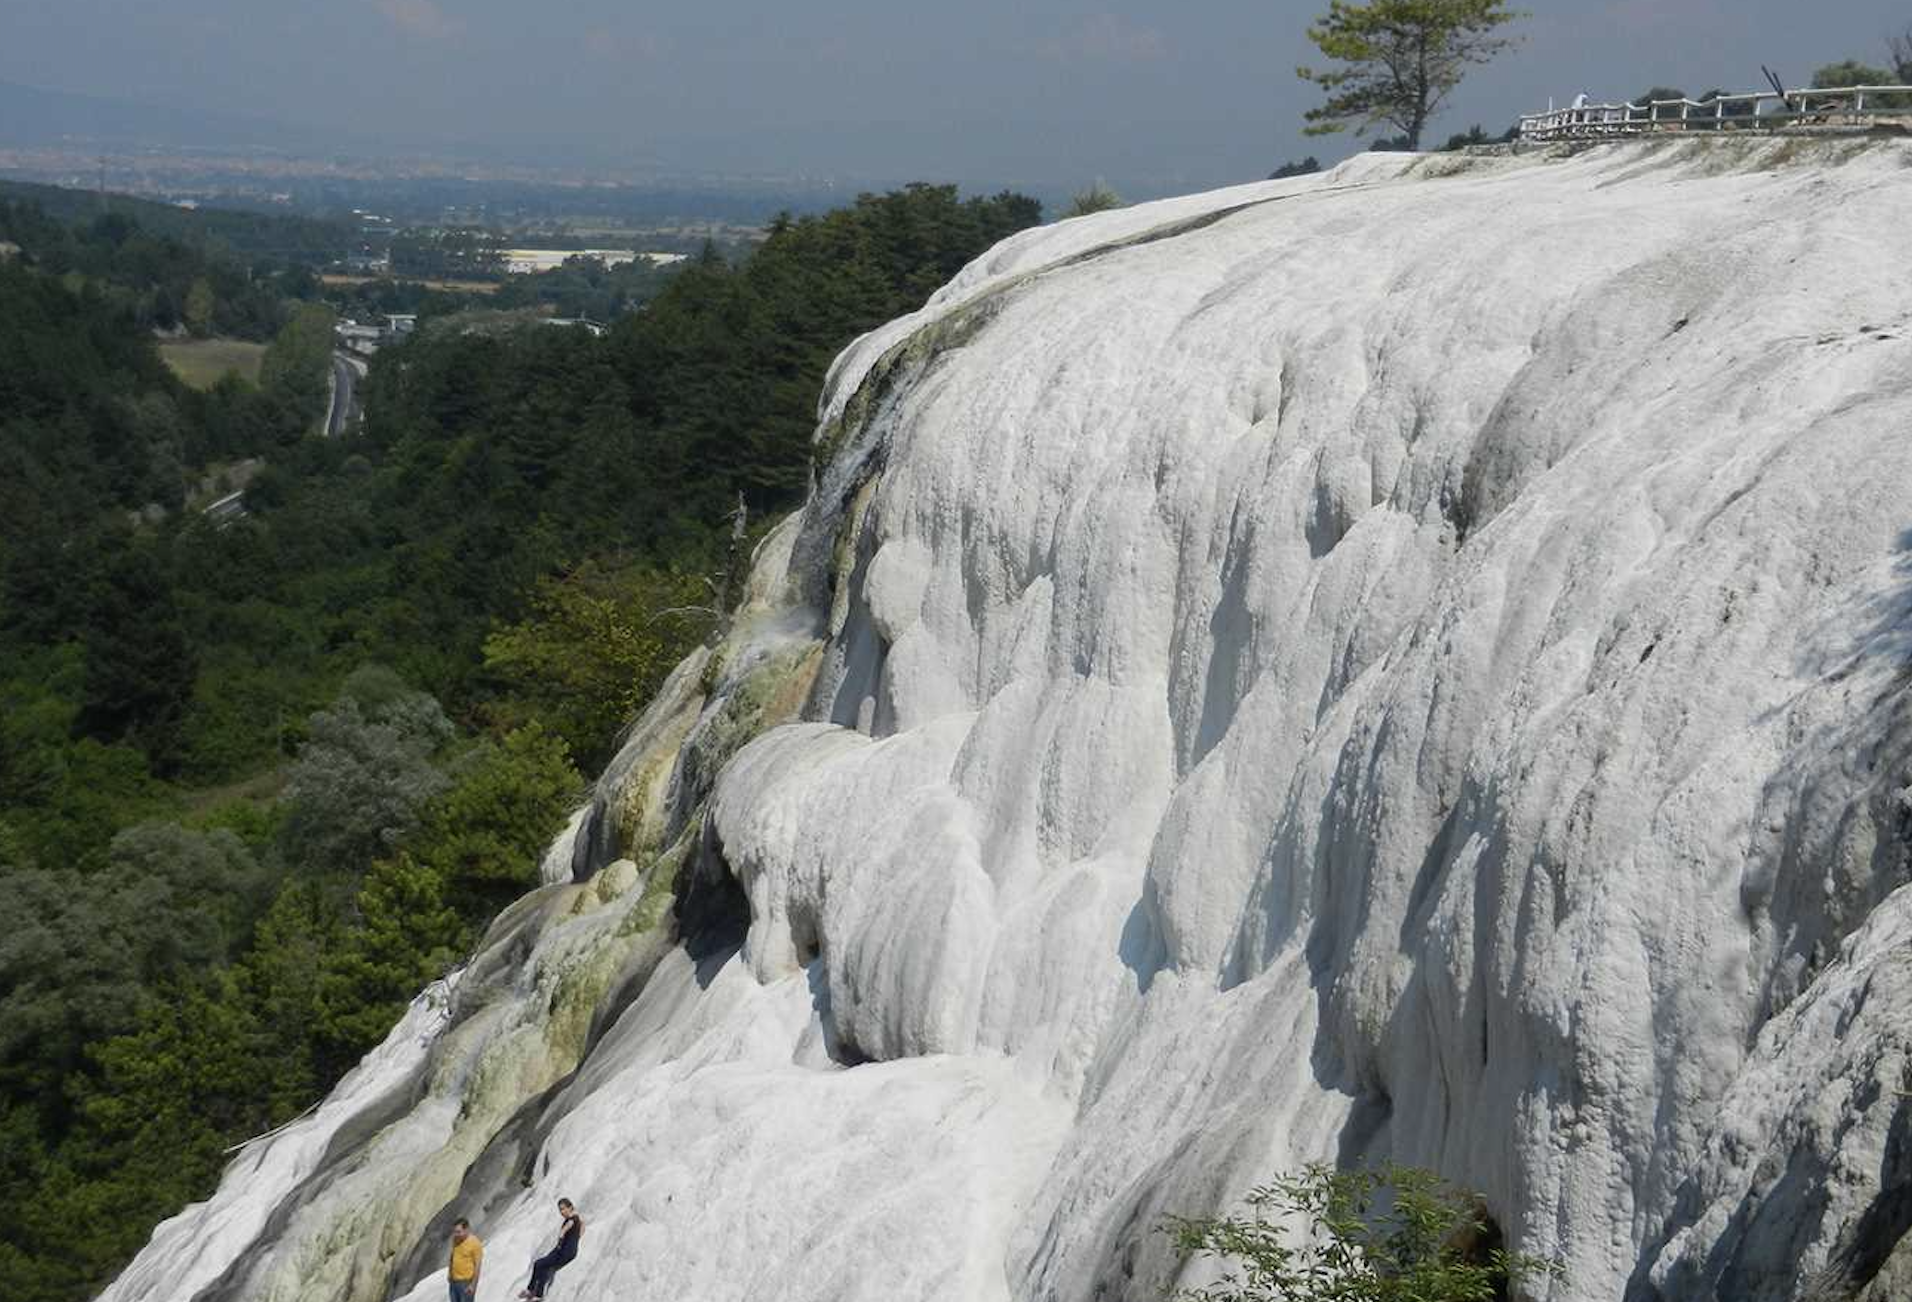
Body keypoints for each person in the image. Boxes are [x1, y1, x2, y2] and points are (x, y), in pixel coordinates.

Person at [520, 1198, 584, 1300]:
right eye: (560, 1210)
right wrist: (575, 1241)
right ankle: (535, 1293)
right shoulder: (578, 1218)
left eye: (563, 1209)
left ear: (570, 1207)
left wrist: (561, 1241)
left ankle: (533, 1292)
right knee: (543, 1266)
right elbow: (582, 1228)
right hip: (568, 1250)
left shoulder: (571, 1220)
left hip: (564, 1252)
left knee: (539, 1264)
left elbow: (564, 1231)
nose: (562, 1212)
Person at [448, 1218, 483, 1302]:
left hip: (466, 1284)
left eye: (459, 1232)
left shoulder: (475, 1243)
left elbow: (477, 1266)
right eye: (455, 1231)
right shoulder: (456, 1240)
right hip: (454, 1282)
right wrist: (449, 1273)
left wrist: (473, 1285)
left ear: (467, 1229)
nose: (456, 1234)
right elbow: (452, 1256)